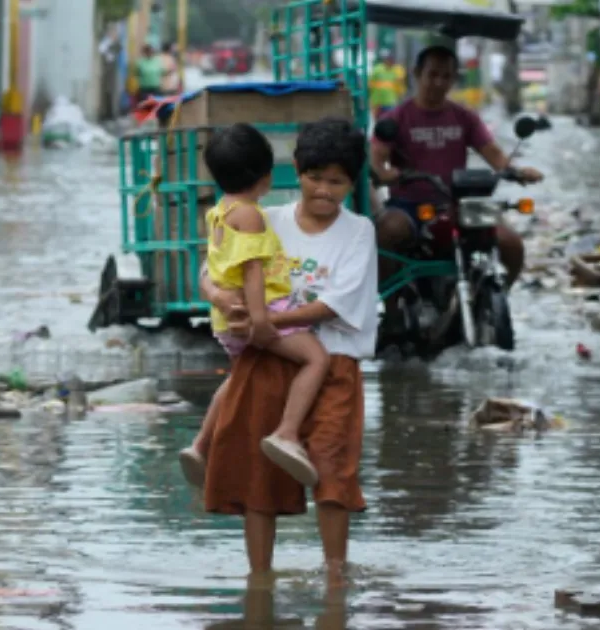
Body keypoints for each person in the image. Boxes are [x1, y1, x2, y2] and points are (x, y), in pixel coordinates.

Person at [199, 117, 377, 587]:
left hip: (333, 361)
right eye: (314, 177)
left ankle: (335, 575)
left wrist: (263, 321)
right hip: (268, 360)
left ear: (352, 182)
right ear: (295, 171)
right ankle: (260, 578)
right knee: (260, 475)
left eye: (336, 181)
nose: (323, 190)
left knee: (332, 466)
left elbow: (332, 305)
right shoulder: (263, 217)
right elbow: (212, 272)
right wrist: (224, 302)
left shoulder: (359, 232)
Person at [178, 123, 329, 489]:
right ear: (264, 174)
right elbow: (252, 272)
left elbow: (216, 267)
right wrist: (262, 323)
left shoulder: (219, 211)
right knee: (316, 359)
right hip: (257, 315)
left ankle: (200, 446)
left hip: (225, 321)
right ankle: (288, 433)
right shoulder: (250, 215)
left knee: (237, 380)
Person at [369, 45, 543, 332]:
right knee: (387, 231)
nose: (439, 82)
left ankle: (492, 300)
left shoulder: (465, 117)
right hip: (411, 205)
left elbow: (494, 155)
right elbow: (377, 158)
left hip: (458, 204)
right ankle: (391, 312)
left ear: (454, 79)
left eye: (446, 76)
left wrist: (517, 171)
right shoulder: (397, 118)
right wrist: (387, 174)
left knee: (511, 244)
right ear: (416, 74)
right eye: (432, 74)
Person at [370, 49, 405, 116]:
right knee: (379, 121)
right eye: (389, 60)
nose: (390, 62)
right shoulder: (377, 70)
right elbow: (370, 84)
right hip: (378, 102)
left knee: (390, 119)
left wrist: (400, 96)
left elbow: (400, 84)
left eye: (392, 60)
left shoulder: (396, 70)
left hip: (390, 101)